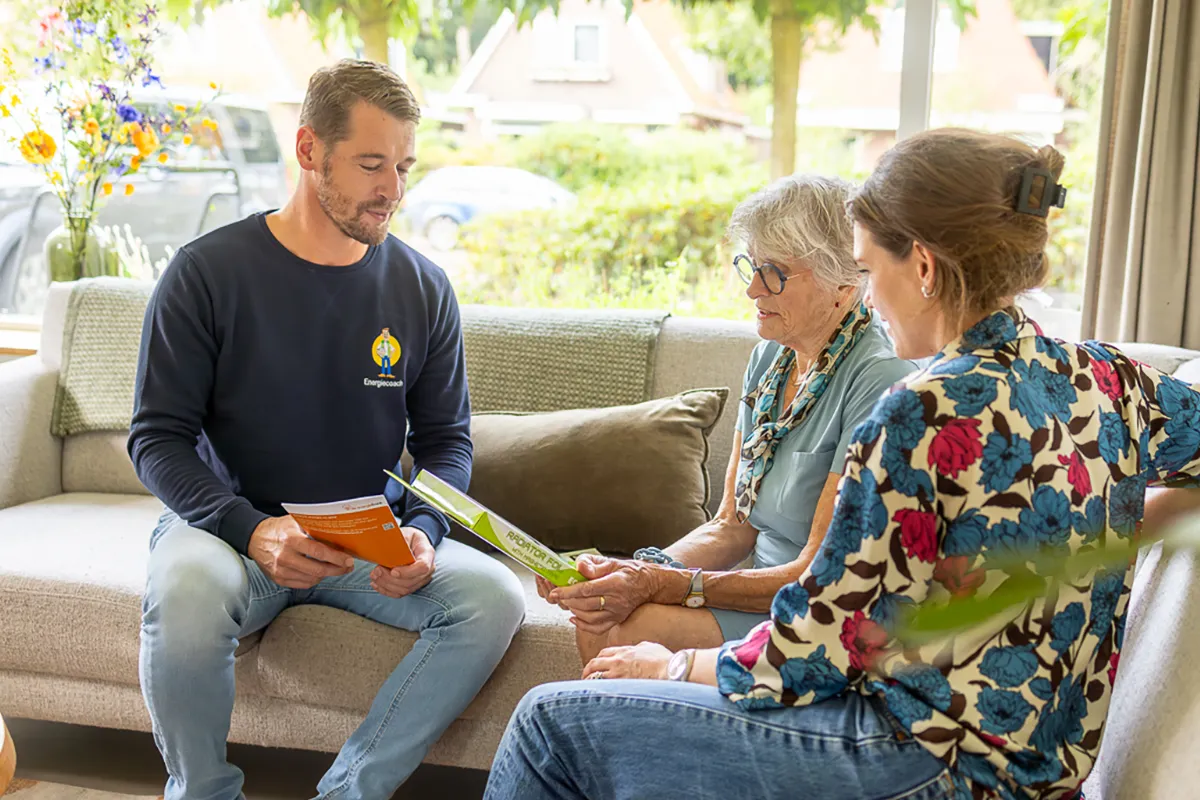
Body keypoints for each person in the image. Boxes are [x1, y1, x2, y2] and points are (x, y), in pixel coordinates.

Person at [483, 128, 1200, 800]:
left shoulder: (918, 412)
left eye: (866, 268)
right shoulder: (1107, 380)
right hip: (1043, 764)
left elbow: (820, 644)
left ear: (922, 265)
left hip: (921, 758)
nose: (868, 295)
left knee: (553, 723)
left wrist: (668, 666)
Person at [129, 59, 525, 800]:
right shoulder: (206, 273)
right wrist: (252, 530)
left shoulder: (423, 287)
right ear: (310, 151)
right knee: (181, 591)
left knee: (494, 600)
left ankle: (349, 793)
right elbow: (155, 437)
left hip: (362, 544)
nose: (393, 190)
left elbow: (446, 441)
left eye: (404, 166)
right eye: (372, 163)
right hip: (227, 532)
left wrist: (423, 533)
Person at [539, 175, 914, 664]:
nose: (753, 289)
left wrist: (663, 583)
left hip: (815, 611)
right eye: (751, 267)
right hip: (756, 591)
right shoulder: (770, 358)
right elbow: (731, 528)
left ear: (842, 284)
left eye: (775, 272)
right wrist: (627, 573)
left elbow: (815, 571)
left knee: (624, 627)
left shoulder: (879, 378)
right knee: (606, 610)